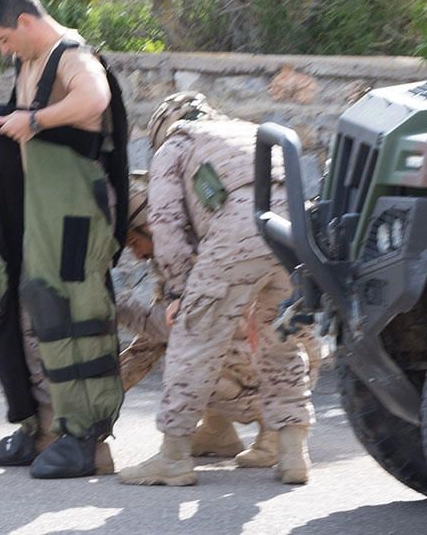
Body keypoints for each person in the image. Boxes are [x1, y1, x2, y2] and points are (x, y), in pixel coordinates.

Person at [0, 0, 129, 479]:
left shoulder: (72, 56)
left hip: (75, 209)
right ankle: (43, 429)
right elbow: (34, 127)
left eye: (3, 39)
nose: (3, 50)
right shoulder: (29, 62)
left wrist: (33, 119)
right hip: (39, 207)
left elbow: (94, 98)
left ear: (27, 22)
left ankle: (86, 440)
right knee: (24, 306)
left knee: (71, 312)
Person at [118, 92, 315, 487]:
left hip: (239, 232)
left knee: (195, 339)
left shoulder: (176, 145)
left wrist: (177, 293)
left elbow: (167, 225)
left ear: (162, 130)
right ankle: (292, 453)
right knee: (281, 343)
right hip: (296, 236)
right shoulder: (248, 131)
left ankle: (173, 457)